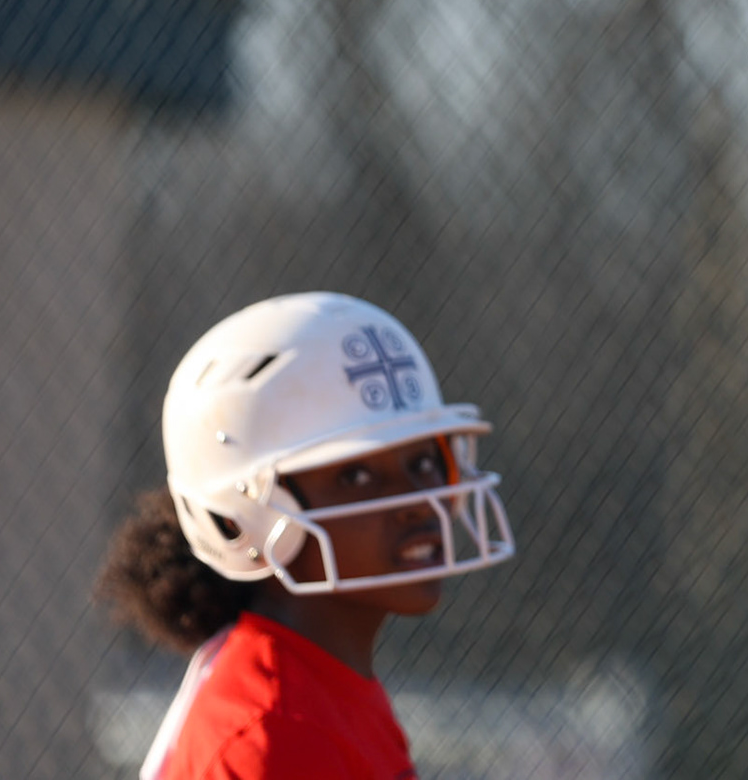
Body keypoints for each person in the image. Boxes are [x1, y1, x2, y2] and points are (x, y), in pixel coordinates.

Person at [97, 292, 516, 780]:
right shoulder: (275, 732)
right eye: (357, 475)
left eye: (423, 461)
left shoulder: (319, 682)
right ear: (239, 518)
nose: (418, 500)